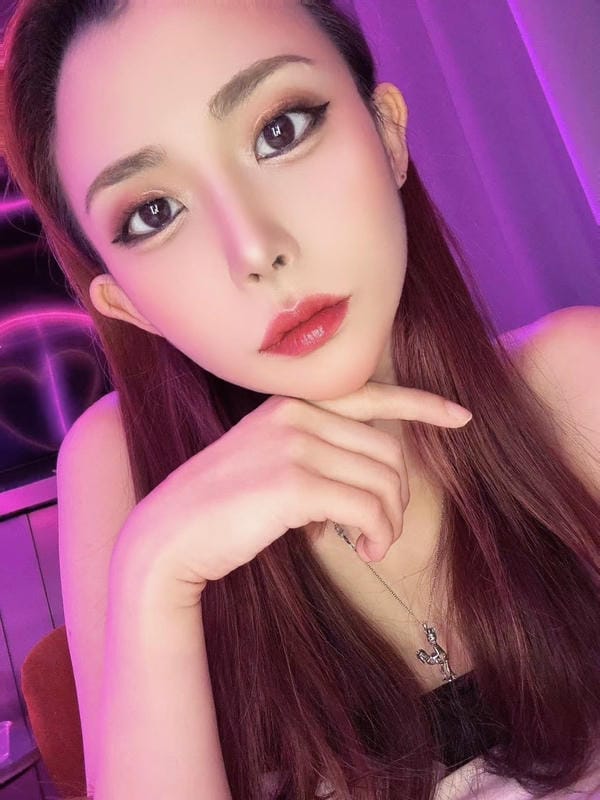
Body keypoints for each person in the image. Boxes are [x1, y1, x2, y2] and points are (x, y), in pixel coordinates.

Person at [2, 1, 600, 798]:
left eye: (279, 131)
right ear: (127, 305)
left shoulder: (575, 386)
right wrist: (155, 575)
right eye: (154, 212)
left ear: (388, 134)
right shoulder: (123, 469)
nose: (256, 249)